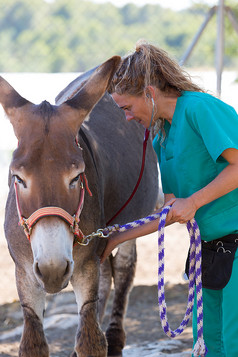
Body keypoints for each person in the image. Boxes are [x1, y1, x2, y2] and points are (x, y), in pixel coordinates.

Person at [100, 40, 238, 357]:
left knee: (233, 345)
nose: (127, 118)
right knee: (206, 348)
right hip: (209, 253)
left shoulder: (201, 109)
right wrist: (114, 239)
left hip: (235, 245)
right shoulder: (162, 137)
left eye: (127, 108)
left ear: (149, 93)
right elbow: (172, 211)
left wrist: (195, 202)